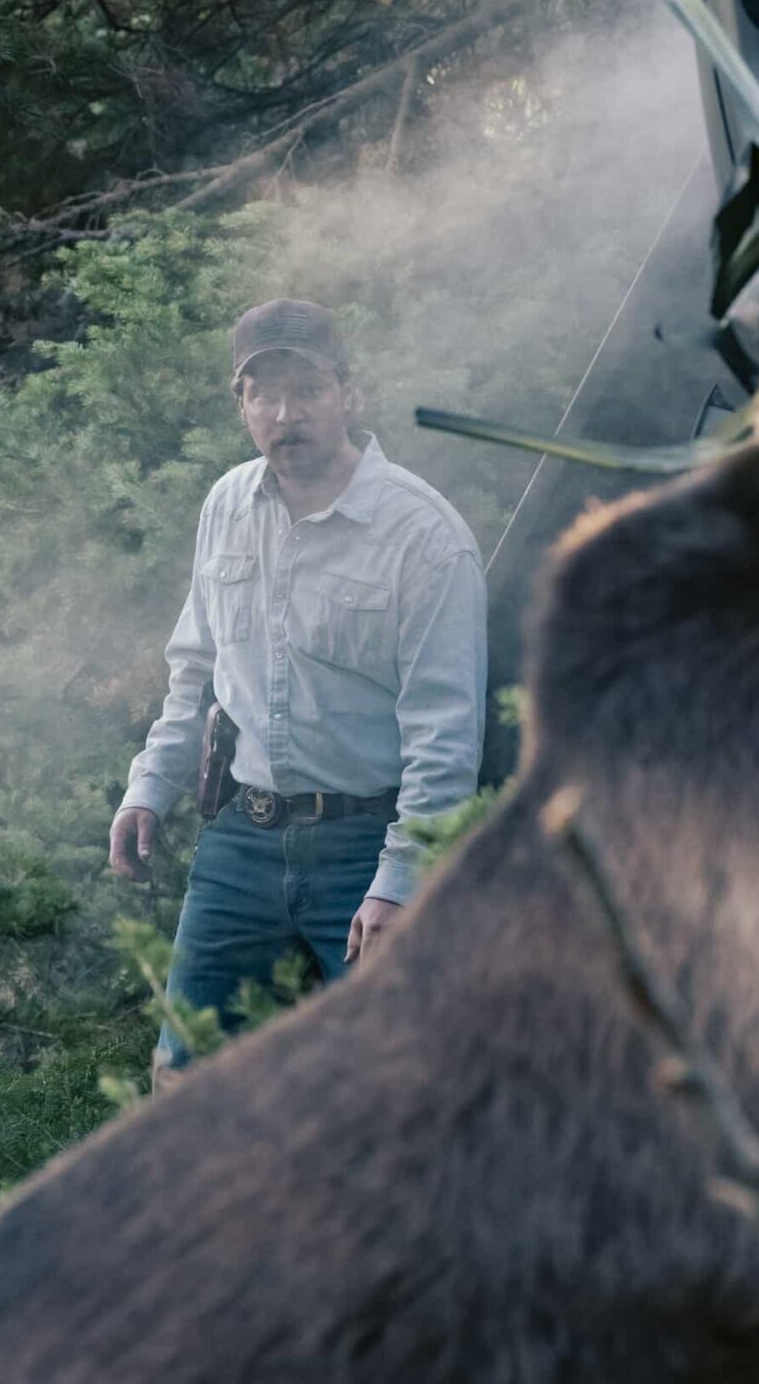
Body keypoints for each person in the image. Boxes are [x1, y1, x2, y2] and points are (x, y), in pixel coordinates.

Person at [109, 299, 486, 1073]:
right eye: (265, 392)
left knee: (404, 1076)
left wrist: (403, 879)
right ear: (241, 402)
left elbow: (445, 732)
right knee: (187, 1071)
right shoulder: (226, 507)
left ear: (347, 391)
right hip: (240, 841)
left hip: (366, 843)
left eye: (308, 389)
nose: (288, 413)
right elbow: (195, 674)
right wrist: (149, 787)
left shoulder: (423, 534)